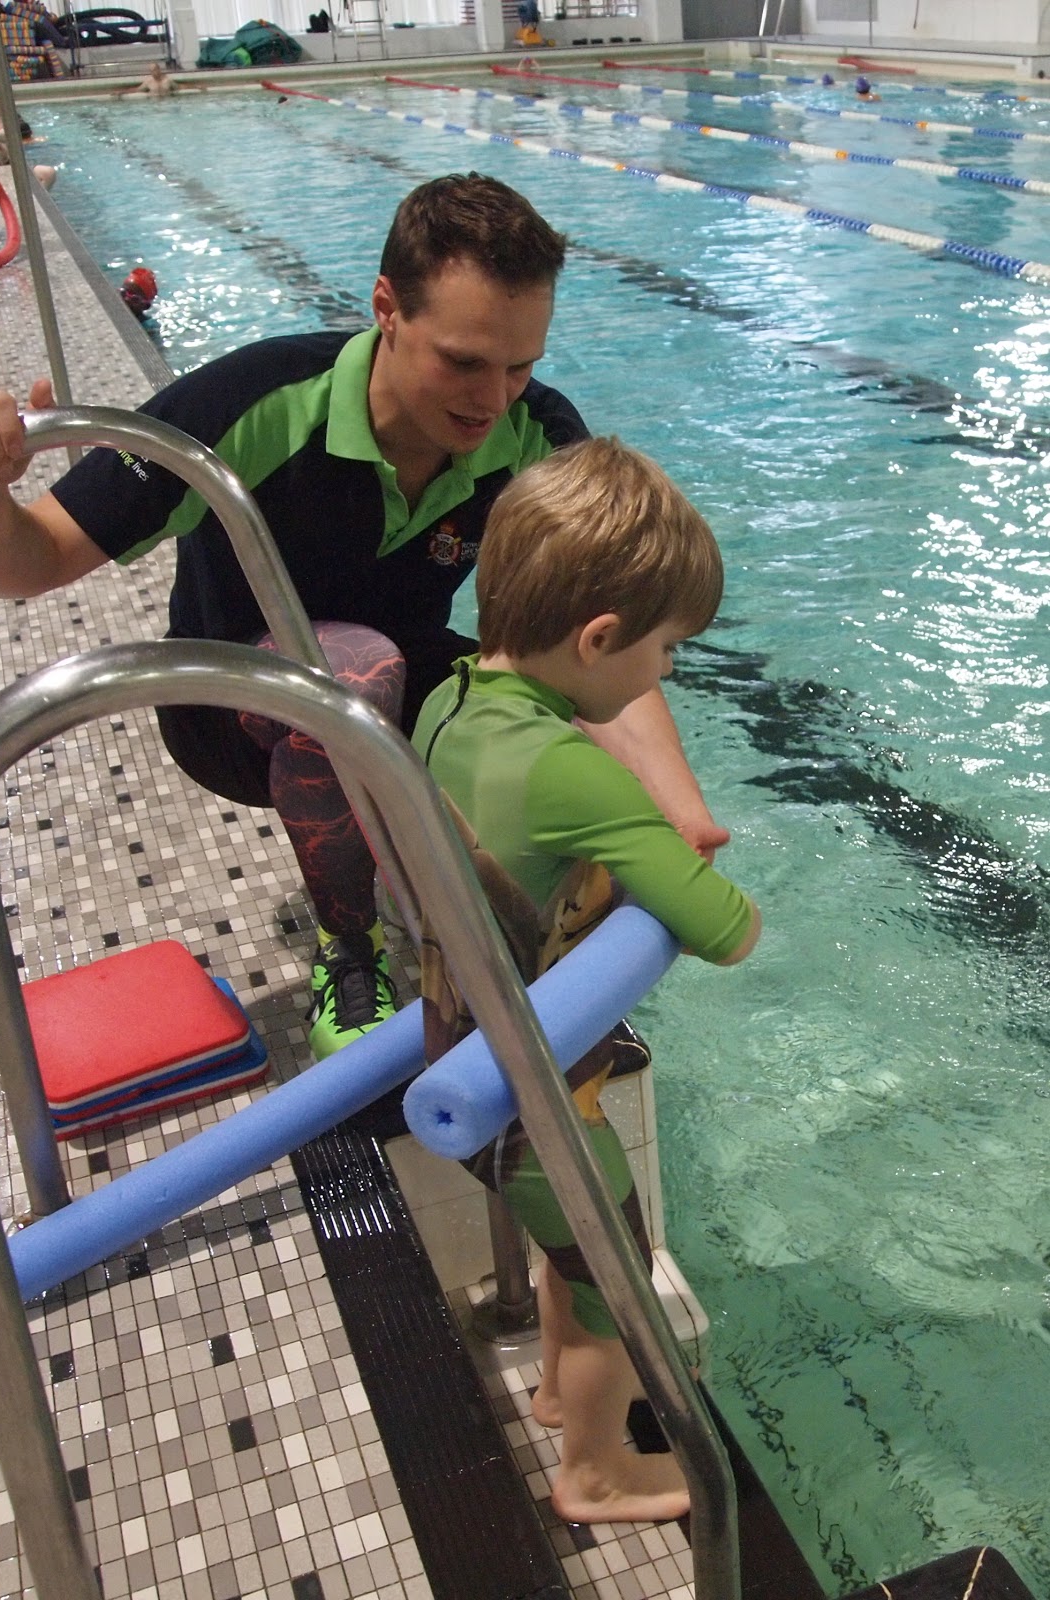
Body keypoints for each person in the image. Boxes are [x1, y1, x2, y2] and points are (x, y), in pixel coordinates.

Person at [0, 173, 727, 1062]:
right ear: (386, 308)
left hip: (399, 680)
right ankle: (352, 954)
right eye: (462, 361)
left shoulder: (531, 431)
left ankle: (518, 963)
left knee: (527, 707)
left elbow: (599, 632)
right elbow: (26, 561)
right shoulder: (252, 403)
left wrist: (676, 809)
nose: (494, 399)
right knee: (356, 669)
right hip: (230, 706)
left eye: (520, 364)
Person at [411, 437, 761, 1524]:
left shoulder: (449, 704)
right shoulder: (567, 767)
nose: (664, 674)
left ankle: (560, 1396)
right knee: (620, 1283)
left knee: (575, 1244)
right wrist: (654, 846)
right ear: (598, 637)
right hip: (528, 1100)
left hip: (456, 1043)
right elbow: (725, 928)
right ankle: (597, 1467)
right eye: (663, 649)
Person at [0, 87, 57, 189]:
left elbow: (7, 137)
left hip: (8, 166)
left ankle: (34, 202)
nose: (0, 110)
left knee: (48, 173)